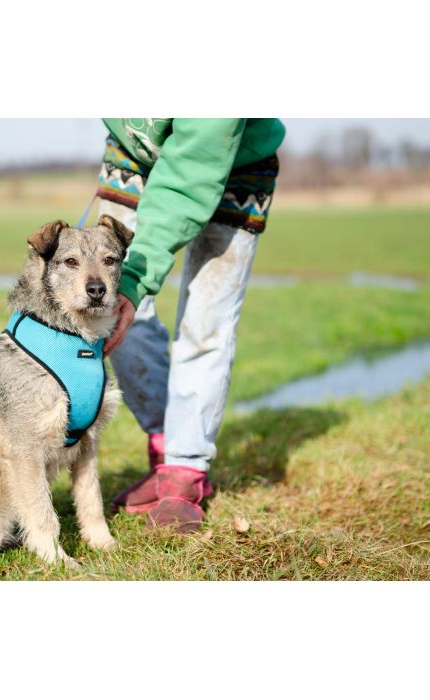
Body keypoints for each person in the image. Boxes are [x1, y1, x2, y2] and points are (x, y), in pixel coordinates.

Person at [96, 118, 285, 531]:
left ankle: (184, 474)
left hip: (231, 163)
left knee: (205, 320)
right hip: (134, 158)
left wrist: (135, 280)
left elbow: (189, 176)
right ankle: (166, 447)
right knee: (109, 312)